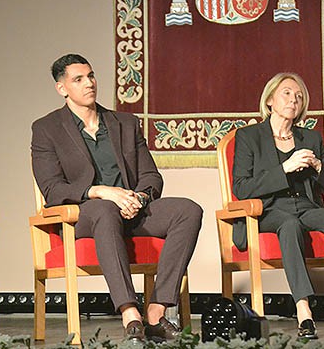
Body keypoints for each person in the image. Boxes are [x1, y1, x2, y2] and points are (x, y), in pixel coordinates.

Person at [31, 54, 203, 342]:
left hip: (130, 211)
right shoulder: (46, 128)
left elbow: (151, 177)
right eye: (79, 79)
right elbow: (52, 189)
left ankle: (157, 311)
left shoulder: (124, 123)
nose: (89, 83)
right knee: (104, 210)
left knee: (188, 210)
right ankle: (129, 313)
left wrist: (138, 198)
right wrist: (99, 191)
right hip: (83, 216)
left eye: (91, 76)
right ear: (62, 88)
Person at [232, 72, 324, 339]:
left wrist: (319, 166)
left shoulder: (311, 139)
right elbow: (241, 188)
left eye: (298, 96)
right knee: (289, 224)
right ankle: (304, 312)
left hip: (307, 207)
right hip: (269, 210)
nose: (293, 100)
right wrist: (284, 169)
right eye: (286, 93)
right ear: (270, 100)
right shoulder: (249, 137)